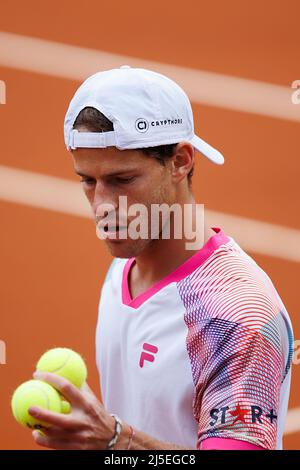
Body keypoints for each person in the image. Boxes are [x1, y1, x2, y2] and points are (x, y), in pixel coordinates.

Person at [30, 66, 293, 450]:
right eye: (88, 181)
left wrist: (117, 441)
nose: (102, 206)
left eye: (122, 180)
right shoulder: (124, 265)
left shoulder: (236, 314)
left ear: (180, 160)